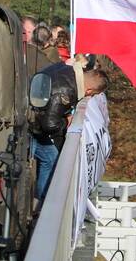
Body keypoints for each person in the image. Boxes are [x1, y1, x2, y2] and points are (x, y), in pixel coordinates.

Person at [31, 61, 109, 202]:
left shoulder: (69, 70)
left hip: (32, 116)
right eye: (92, 95)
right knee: (51, 159)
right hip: (33, 125)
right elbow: (50, 124)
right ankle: (43, 201)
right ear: (90, 91)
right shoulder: (66, 91)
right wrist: (66, 121)